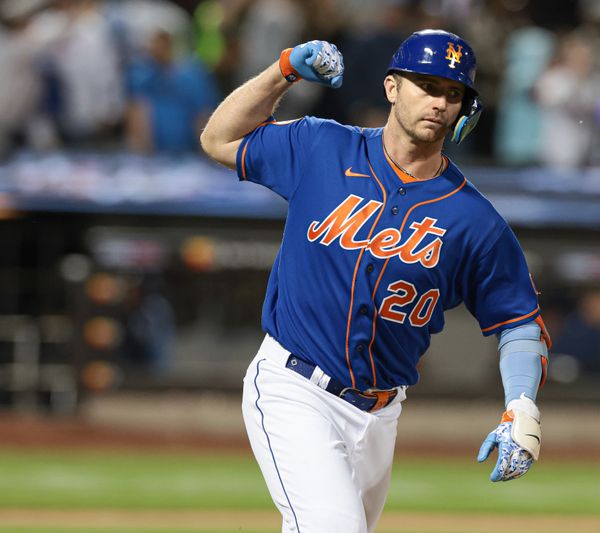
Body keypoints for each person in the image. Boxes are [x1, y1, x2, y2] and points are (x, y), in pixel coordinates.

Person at [200, 30, 551, 533]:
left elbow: (518, 323)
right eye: (427, 85)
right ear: (391, 87)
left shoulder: (475, 220)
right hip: (294, 386)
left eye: (454, 93)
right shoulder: (322, 146)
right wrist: (284, 70)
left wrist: (521, 405)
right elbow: (220, 139)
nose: (439, 101)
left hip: (382, 414)